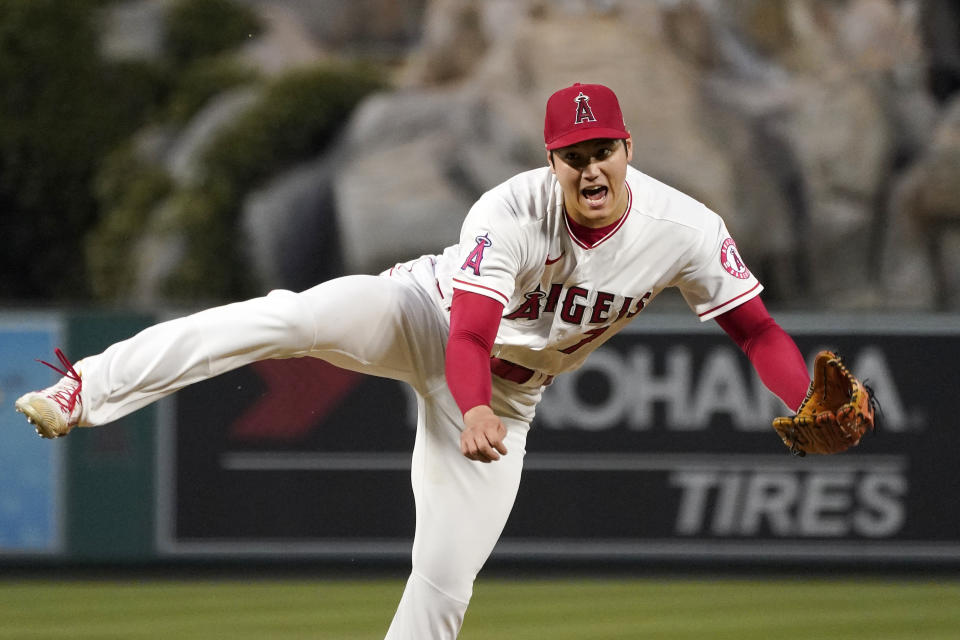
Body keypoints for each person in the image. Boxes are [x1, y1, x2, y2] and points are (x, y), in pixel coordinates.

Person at [15, 82, 813, 639]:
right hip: (423, 318)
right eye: (574, 155)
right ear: (552, 160)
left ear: (628, 148)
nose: (591, 168)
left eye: (603, 149)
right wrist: (467, 407)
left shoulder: (686, 229)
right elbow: (466, 336)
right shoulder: (508, 211)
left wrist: (806, 394)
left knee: (441, 585)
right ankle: (90, 387)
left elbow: (756, 331)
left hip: (511, 399)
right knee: (286, 316)